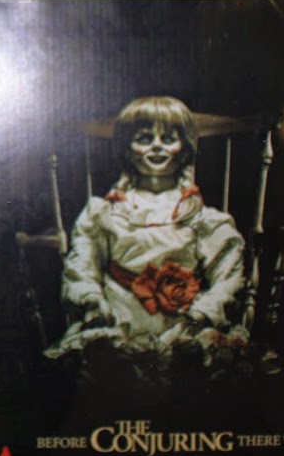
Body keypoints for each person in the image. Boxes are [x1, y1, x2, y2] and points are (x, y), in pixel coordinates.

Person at [46, 96, 253, 382]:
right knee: (103, 362)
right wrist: (92, 300)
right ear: (127, 150)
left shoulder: (202, 217)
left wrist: (202, 313)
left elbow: (228, 274)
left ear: (184, 149)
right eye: (144, 139)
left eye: (168, 139)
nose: (157, 146)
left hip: (183, 323)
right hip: (119, 318)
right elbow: (83, 261)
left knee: (197, 362)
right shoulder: (104, 213)